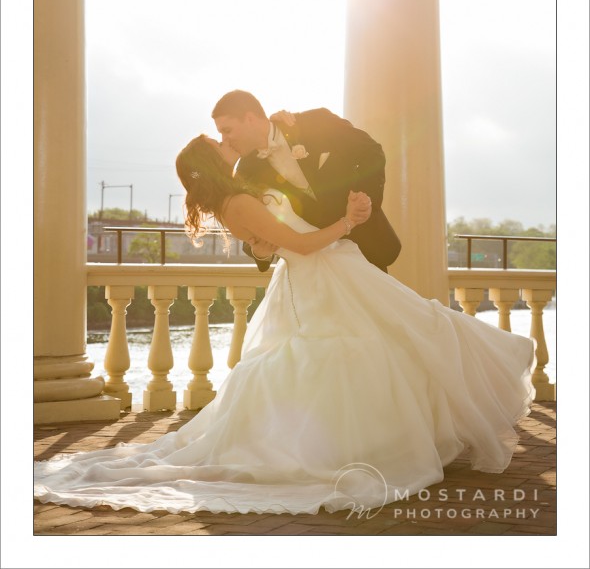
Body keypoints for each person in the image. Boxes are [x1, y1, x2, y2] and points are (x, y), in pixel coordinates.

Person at [34, 134, 536, 516]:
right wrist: (345, 226)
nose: (231, 148)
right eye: (221, 145)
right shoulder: (241, 202)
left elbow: (264, 245)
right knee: (392, 338)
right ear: (214, 162)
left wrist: (273, 240)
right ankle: (360, 447)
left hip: (322, 276)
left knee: (398, 336)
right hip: (325, 272)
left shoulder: (233, 204)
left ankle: (378, 441)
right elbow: (297, 245)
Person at [211, 89, 401, 272]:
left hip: (368, 248)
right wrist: (259, 252)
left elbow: (370, 152)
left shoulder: (316, 122)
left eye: (227, 130)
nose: (225, 139)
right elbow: (252, 225)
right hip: (317, 266)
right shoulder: (246, 172)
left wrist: (365, 198)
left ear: (250, 119)